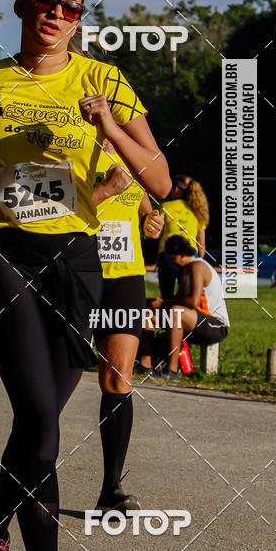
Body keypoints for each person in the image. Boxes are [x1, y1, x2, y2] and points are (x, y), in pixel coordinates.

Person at [0, 0, 170, 551]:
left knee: (37, 427)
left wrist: (110, 126)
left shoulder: (103, 81)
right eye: (47, 1)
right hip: (0, 252)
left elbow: (159, 176)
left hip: (76, 261)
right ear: (22, 5)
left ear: (78, 19)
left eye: (71, 8)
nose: (57, 15)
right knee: (41, 417)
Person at [91, 139, 163, 512]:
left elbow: (147, 213)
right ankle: (30, 477)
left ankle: (111, 489)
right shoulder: (70, 150)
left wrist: (153, 223)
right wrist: (105, 191)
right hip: (78, 276)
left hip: (125, 279)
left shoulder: (133, 162)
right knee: (54, 381)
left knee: (118, 377)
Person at [145, 234, 229, 381]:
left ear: (183, 254)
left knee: (175, 312)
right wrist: (158, 304)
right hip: (194, 320)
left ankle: (172, 370)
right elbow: (177, 299)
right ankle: (145, 364)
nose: (170, 263)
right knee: (147, 314)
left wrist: (163, 303)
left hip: (215, 325)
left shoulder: (197, 266)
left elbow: (192, 302)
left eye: (172, 258)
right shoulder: (185, 270)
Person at [157, 174, 209, 298]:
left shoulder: (166, 207)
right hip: (190, 256)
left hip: (168, 254)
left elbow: (156, 234)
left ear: (175, 189)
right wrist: (199, 261)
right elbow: (201, 244)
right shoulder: (198, 210)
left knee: (166, 297)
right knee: (187, 296)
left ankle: (167, 317)